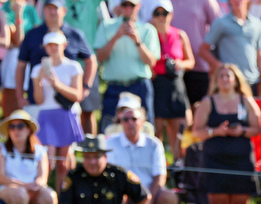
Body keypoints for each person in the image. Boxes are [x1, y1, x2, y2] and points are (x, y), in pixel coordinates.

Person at [192, 64, 261, 204]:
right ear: (215, 80)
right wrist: (215, 132)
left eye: (228, 75)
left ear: (236, 79)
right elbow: (196, 131)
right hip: (215, 160)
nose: (224, 79)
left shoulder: (246, 101)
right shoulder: (207, 102)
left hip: (241, 160)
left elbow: (257, 128)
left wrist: (242, 131)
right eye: (220, 75)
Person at [106, 106, 185, 204]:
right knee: (117, 195)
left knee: (170, 198)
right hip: (124, 194)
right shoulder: (111, 143)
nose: (130, 123)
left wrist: (149, 197)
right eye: (125, 119)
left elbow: (160, 175)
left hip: (151, 193)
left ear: (142, 122)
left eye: (134, 119)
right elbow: (110, 176)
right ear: (120, 122)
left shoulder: (154, 143)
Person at [16, 0, 96, 113]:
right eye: (49, 8)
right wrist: (20, 96)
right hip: (37, 101)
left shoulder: (75, 35)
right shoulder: (32, 35)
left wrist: (86, 86)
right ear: (43, 10)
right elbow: (21, 66)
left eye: (56, 8)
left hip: (67, 104)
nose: (52, 12)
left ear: (64, 11)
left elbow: (91, 60)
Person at [31, 31, 85, 198]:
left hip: (66, 115)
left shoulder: (73, 67)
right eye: (49, 45)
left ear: (64, 46)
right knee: (47, 161)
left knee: (63, 164)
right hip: (46, 116)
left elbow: (77, 95)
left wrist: (57, 84)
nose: (53, 48)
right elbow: (39, 100)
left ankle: (62, 199)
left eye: (56, 44)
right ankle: (43, 198)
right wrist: (40, 80)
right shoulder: (37, 69)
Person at [94, 0, 161, 131]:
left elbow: (151, 62)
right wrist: (116, 36)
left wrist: (138, 42)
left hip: (139, 86)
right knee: (109, 130)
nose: (128, 9)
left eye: (132, 5)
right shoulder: (106, 26)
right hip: (114, 87)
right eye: (125, 5)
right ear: (120, 6)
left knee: (145, 130)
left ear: (139, 6)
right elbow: (100, 57)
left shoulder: (148, 29)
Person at [0, 110, 57, 204]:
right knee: (20, 194)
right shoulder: (2, 149)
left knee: (50, 196)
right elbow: (2, 177)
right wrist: (24, 186)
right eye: (12, 127)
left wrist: (37, 185)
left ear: (28, 130)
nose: (15, 130)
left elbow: (43, 177)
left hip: (33, 191)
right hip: (8, 189)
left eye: (20, 126)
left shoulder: (39, 151)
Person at [149, 0, 194, 159]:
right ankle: (158, 167)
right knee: (156, 130)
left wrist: (178, 64)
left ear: (171, 15)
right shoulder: (149, 33)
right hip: (157, 84)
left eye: (164, 13)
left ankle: (178, 169)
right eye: (157, 13)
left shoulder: (180, 34)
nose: (161, 17)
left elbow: (191, 62)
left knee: (179, 130)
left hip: (175, 84)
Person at [200, 0, 261, 99]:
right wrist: (220, 66)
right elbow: (203, 50)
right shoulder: (221, 23)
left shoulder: (257, 24)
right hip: (230, 82)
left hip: (252, 81)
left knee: (251, 113)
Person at [170, 0, 222, 106]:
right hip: (173, 68)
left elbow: (219, 28)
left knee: (199, 109)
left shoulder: (206, 1)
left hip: (200, 67)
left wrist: (214, 62)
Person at [63, 0, 105, 135]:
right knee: (64, 111)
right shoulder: (60, 2)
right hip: (64, 66)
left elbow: (104, 23)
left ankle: (89, 150)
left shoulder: (93, 3)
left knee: (88, 111)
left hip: (89, 64)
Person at [1, 0, 41, 118]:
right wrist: (19, 14)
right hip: (13, 62)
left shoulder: (31, 10)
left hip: (31, 61)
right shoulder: (4, 10)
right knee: (11, 108)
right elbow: (19, 41)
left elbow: (36, 38)